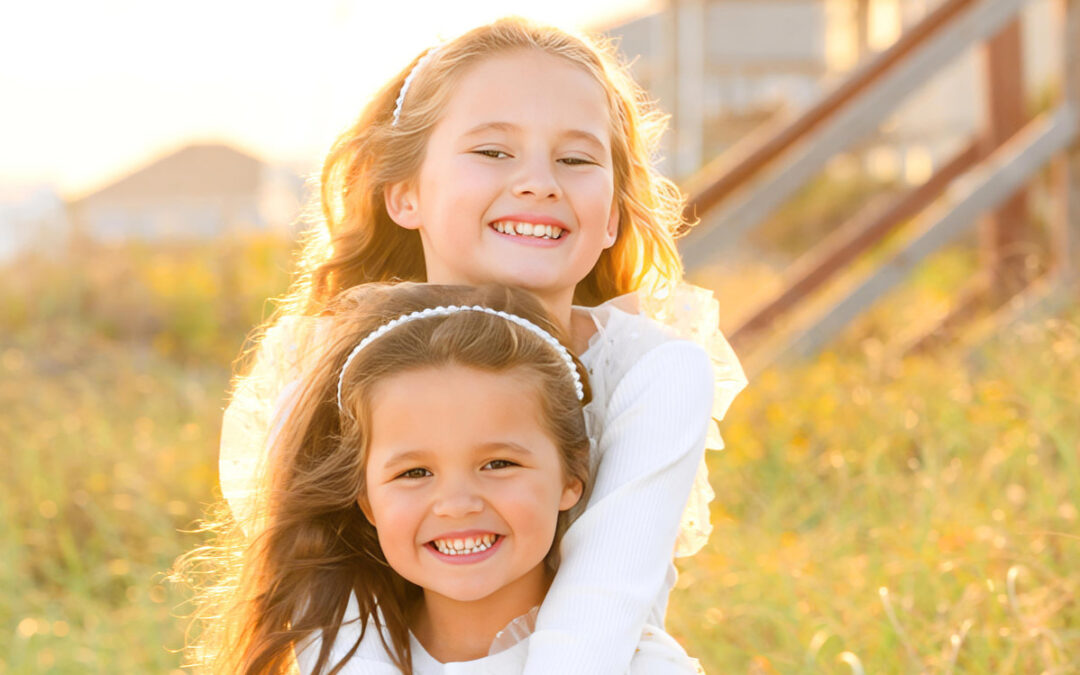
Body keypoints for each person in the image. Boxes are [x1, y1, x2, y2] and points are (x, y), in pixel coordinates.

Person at [219, 17, 747, 674]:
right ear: (405, 192)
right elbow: (333, 599)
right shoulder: (330, 364)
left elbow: (600, 612)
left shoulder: (655, 372)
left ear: (611, 212)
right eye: (494, 152)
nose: (538, 182)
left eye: (576, 159)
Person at [184, 283, 703, 673]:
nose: (456, 503)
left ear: (574, 475)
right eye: (414, 472)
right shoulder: (347, 654)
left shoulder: (635, 665)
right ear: (366, 501)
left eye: (499, 464)